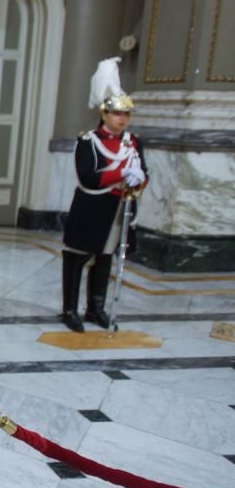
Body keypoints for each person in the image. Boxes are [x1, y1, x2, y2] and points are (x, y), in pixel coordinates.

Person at [61, 57, 148, 332]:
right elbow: (88, 176)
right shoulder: (89, 140)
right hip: (90, 207)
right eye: (117, 114)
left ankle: (95, 308)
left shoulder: (133, 142)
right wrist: (122, 173)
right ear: (104, 114)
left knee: (105, 258)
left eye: (126, 114)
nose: (122, 119)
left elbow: (142, 172)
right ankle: (69, 309)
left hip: (117, 210)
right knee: (76, 258)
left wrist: (137, 180)